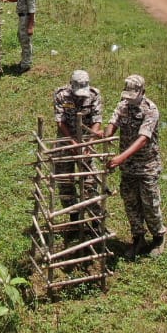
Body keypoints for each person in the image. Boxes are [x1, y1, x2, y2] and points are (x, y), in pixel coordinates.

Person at [105, 74, 167, 258]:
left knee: (150, 202)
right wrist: (107, 135)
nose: (130, 100)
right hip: (128, 167)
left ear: (143, 92)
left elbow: (143, 139)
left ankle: (158, 237)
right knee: (131, 202)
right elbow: (112, 124)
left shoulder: (151, 110)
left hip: (147, 165)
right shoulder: (123, 105)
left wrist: (119, 158)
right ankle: (138, 237)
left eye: (134, 95)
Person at [52, 70, 104, 222]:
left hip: (87, 142)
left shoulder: (94, 95)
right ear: (71, 85)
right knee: (64, 180)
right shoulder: (61, 95)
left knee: (90, 181)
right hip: (65, 142)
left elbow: (97, 120)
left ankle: (95, 220)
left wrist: (88, 143)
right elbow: (60, 121)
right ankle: (74, 216)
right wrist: (72, 142)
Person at [1, 0, 36, 71]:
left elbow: (32, 11)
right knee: (21, 38)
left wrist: (30, 26)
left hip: (27, 18)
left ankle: (25, 65)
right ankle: (25, 60)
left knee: (25, 41)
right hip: (22, 17)